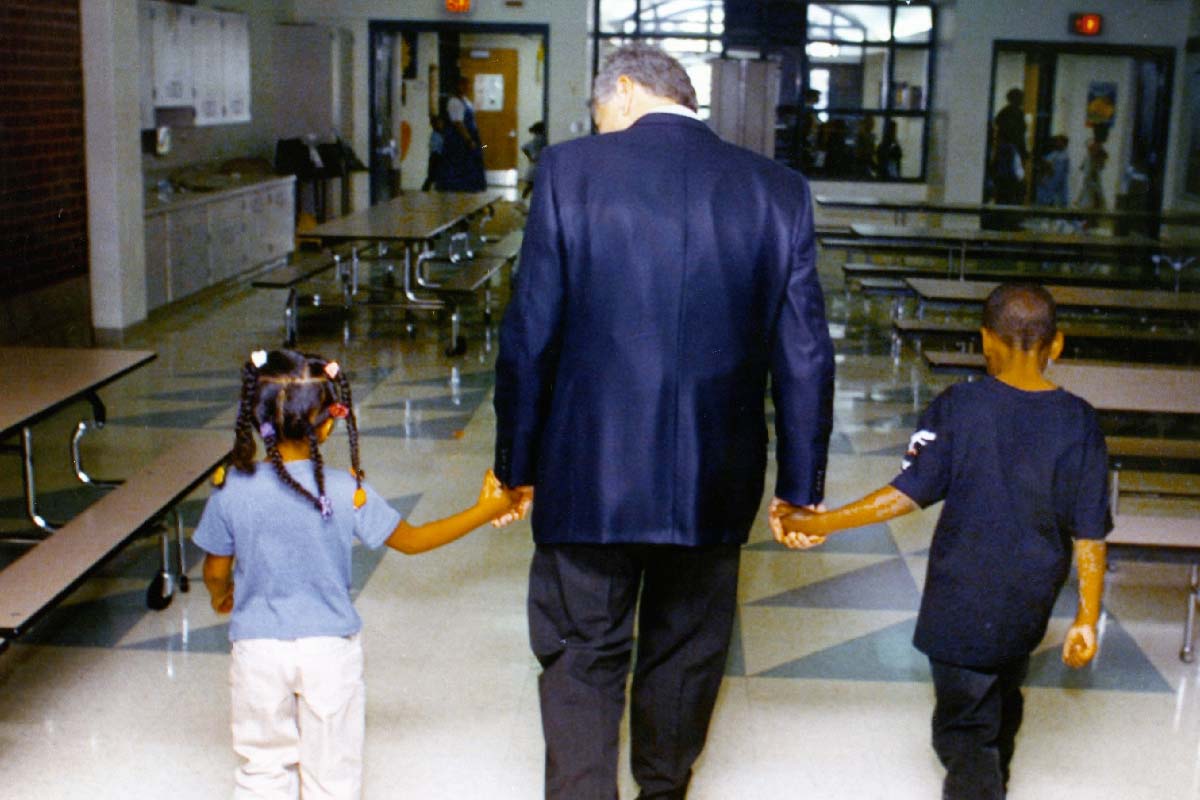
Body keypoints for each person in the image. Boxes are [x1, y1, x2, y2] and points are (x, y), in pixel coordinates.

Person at [492, 43, 835, 799]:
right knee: (685, 654)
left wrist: (515, 465)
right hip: (713, 481)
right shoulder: (776, 191)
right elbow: (805, 355)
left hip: (587, 475)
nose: (598, 126)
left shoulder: (571, 172)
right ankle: (662, 789)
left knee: (582, 652)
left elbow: (529, 334)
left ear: (621, 90)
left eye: (598, 111)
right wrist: (799, 487)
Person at [778, 283, 1111, 800]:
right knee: (1003, 704)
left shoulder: (960, 405)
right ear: (1058, 344)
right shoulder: (1081, 421)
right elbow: (1090, 533)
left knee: (962, 734)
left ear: (986, 341)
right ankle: (995, 781)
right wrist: (1087, 616)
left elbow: (906, 494)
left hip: (961, 600)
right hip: (1029, 603)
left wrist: (822, 522)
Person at [194, 348, 516, 799]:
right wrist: (487, 510)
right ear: (327, 424)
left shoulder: (232, 487)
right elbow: (414, 540)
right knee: (333, 772)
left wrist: (220, 595)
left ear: (255, 418)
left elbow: (214, 569)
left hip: (257, 649)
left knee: (261, 766)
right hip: (329, 649)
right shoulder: (347, 490)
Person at [436, 76, 487, 191]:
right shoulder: (454, 102)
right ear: (458, 86)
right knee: (459, 165)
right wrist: (468, 140)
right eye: (463, 85)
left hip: (470, 135)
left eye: (467, 85)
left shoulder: (466, 101)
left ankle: (472, 189)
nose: (466, 87)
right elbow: (458, 123)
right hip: (459, 139)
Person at [1034, 134, 1070, 208]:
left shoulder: (1064, 157)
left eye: (1059, 142)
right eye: (1057, 142)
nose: (1057, 143)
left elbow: (1061, 172)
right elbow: (1046, 164)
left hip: (1056, 181)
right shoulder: (1053, 154)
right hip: (1049, 181)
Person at [520, 120, 547, 200]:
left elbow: (524, 147)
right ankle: (522, 201)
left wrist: (529, 158)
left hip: (534, 164)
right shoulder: (542, 139)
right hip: (538, 165)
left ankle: (522, 201)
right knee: (533, 186)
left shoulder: (536, 139)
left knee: (530, 186)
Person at [421, 114, 445, 192]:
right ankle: (425, 190)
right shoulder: (435, 135)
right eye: (439, 123)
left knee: (437, 176)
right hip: (436, 158)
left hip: (440, 158)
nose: (441, 125)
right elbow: (435, 149)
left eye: (441, 123)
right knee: (431, 176)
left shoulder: (441, 135)